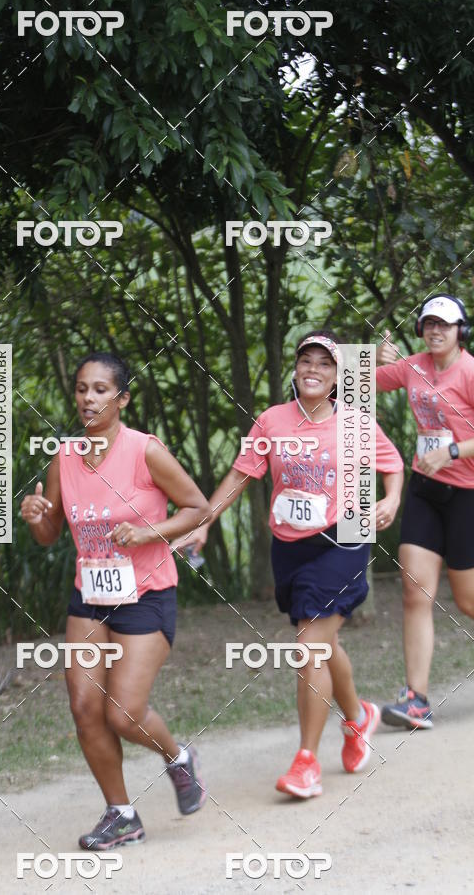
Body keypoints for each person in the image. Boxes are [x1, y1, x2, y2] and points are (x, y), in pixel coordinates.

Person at [174, 331, 404, 799]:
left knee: (309, 644)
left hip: (344, 537)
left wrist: (392, 498)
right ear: (295, 369)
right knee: (322, 639)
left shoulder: (355, 423)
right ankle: (358, 718)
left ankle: (306, 763)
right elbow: (242, 474)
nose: (313, 369)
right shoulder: (272, 421)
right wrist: (203, 524)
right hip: (290, 545)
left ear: (340, 376)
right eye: (306, 361)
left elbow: (392, 461)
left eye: (325, 363)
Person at [20, 352, 211, 848]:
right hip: (91, 595)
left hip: (147, 594)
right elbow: (50, 534)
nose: (88, 398)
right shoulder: (65, 455)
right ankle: (121, 814)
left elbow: (197, 507)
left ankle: (178, 758)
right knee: (85, 707)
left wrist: (149, 531)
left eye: (101, 389)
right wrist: (37, 513)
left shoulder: (145, 450)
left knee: (123, 713)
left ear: (122, 398)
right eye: (82, 388)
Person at [377, 294, 474, 729]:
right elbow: (365, 384)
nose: (436, 331)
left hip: (468, 493)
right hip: (423, 489)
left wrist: (454, 450)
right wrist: (377, 360)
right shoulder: (413, 366)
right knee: (415, 593)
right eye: (429, 324)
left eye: (446, 325)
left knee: (468, 599)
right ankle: (415, 699)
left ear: (461, 331)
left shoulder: (470, 371)